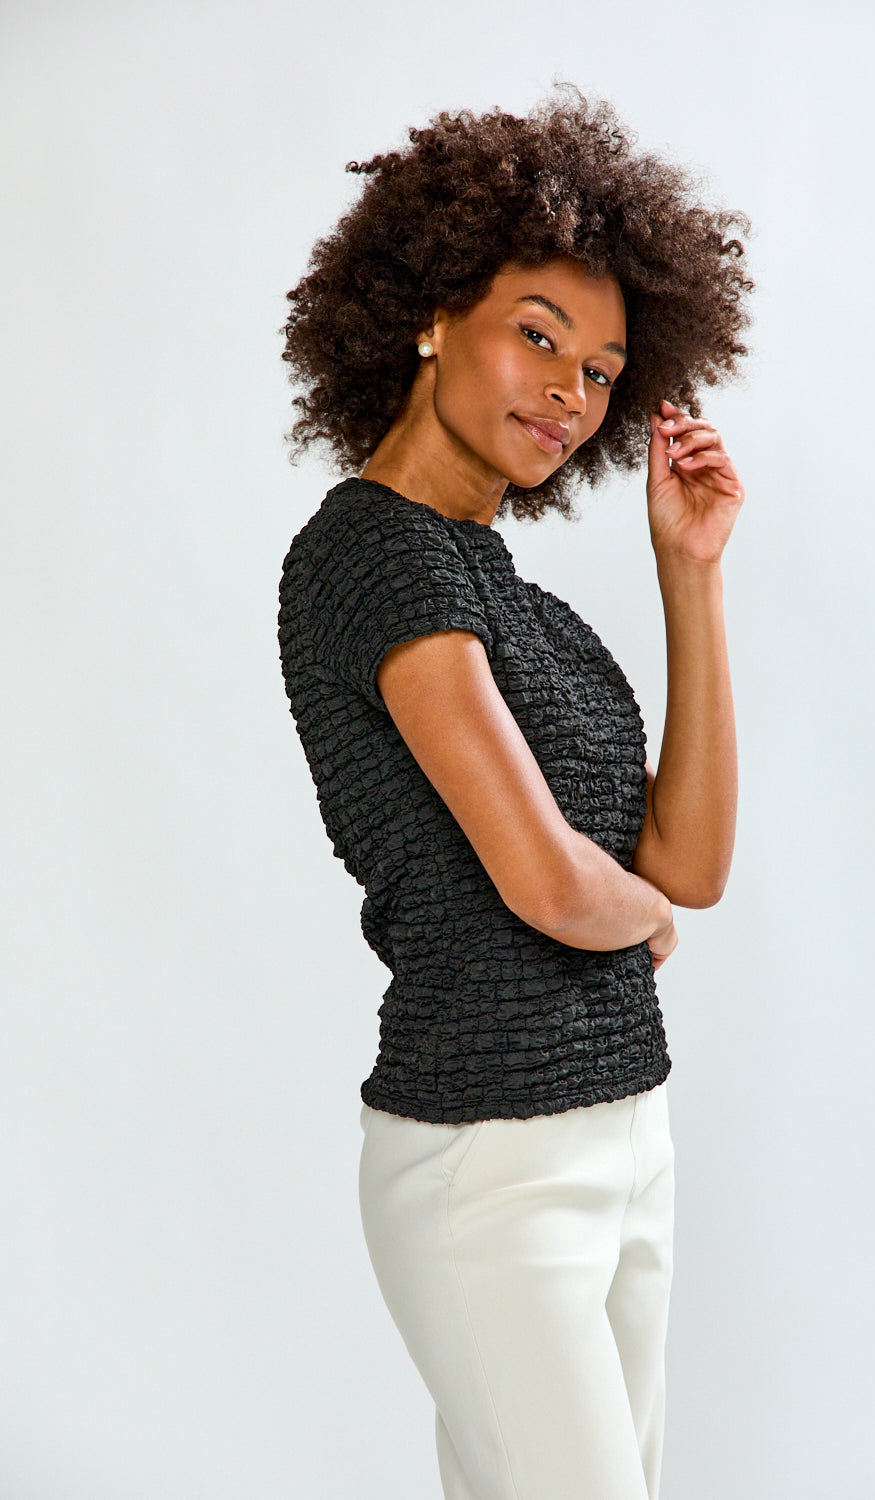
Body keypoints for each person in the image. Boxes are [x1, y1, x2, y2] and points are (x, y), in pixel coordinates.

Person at [277, 83, 752, 1500]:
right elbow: (551, 879)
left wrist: (691, 573)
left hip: (626, 1130)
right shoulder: (374, 557)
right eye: (537, 334)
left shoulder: (519, 603)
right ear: (431, 315)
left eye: (602, 370)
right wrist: (648, 926)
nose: (568, 388)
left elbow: (692, 857)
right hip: (487, 1157)